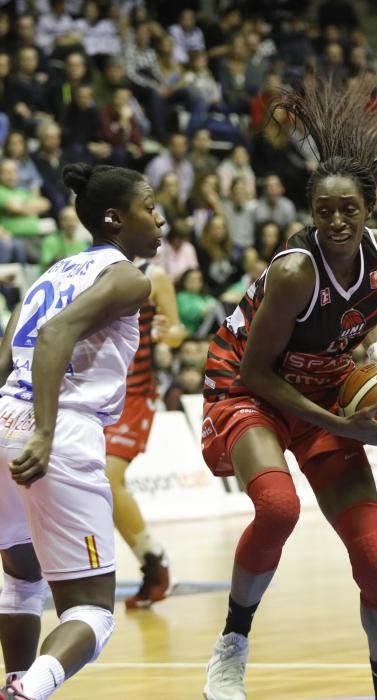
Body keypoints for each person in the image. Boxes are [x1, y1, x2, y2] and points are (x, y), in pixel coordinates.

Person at [201, 76, 377, 700]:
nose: (337, 220)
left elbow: (363, 319)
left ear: (369, 209)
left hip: (319, 394)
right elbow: (256, 371)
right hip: (247, 387)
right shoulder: (297, 272)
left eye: (349, 208)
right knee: (278, 507)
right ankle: (231, 646)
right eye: (325, 211)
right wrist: (351, 426)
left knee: (375, 562)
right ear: (311, 214)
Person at [0, 162, 165, 700]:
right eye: (149, 207)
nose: (160, 218)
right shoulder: (127, 277)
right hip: (60, 428)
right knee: (93, 611)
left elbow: (5, 357)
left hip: (3, 418)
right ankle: (32, 690)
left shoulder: (52, 271)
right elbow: (54, 337)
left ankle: (12, 683)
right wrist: (43, 432)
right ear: (115, 218)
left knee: (22, 577)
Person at [105, 261, 185, 609]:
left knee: (109, 478)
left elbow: (177, 331)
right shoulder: (90, 268)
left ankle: (154, 561)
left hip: (134, 394)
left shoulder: (153, 275)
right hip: (93, 394)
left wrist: (169, 335)